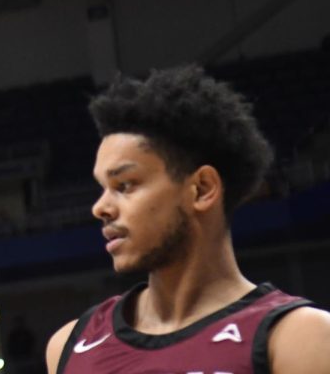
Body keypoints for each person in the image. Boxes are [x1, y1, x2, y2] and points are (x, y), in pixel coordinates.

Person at [44, 65, 330, 374]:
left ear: (202, 189)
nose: (100, 208)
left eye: (124, 185)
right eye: (102, 188)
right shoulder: (68, 345)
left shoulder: (298, 339)